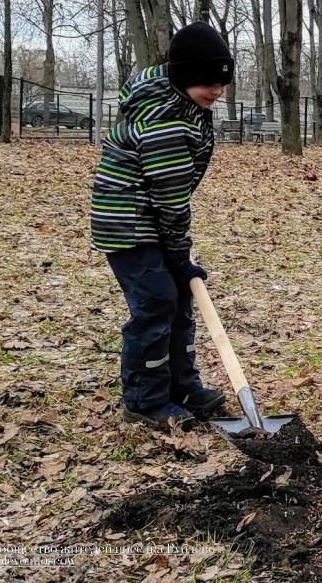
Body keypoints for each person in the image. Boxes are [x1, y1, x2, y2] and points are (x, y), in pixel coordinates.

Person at [91, 21, 234, 430]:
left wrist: (176, 254)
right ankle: (145, 399)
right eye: (209, 81)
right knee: (156, 303)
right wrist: (177, 251)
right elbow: (170, 193)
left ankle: (183, 386)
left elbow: (171, 196)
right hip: (127, 224)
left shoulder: (186, 106)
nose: (218, 91)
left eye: (222, 83)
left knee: (180, 300)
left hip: (151, 219)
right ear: (185, 76)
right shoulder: (165, 119)